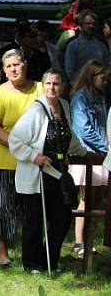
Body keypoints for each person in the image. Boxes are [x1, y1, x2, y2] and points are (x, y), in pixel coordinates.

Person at [8, 69, 90, 274]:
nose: (52, 88)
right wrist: (36, 157)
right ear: (43, 87)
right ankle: (32, 263)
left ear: (63, 87)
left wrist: (87, 153)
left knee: (61, 219)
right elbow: (15, 140)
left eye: (56, 84)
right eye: (48, 84)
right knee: (34, 221)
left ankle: (50, 260)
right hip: (37, 173)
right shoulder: (35, 111)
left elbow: (68, 137)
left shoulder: (64, 106)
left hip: (58, 172)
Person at [0, 48, 42, 266]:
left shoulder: (40, 89)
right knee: (5, 208)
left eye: (16, 64)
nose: (13, 69)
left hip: (35, 160)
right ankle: (3, 252)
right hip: (5, 160)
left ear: (25, 65)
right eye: (8, 66)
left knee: (33, 209)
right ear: (4, 70)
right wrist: (19, 144)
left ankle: (34, 251)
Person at [68, 60, 109, 258]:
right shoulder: (80, 98)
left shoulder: (100, 97)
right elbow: (84, 129)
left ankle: (89, 242)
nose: (106, 81)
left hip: (101, 155)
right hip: (87, 155)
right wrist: (106, 148)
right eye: (103, 78)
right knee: (86, 199)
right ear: (92, 76)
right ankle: (79, 243)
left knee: (97, 201)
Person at [64, 10, 110, 86]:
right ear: (81, 25)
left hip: (99, 88)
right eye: (88, 23)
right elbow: (70, 70)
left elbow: (107, 67)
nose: (91, 26)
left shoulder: (101, 45)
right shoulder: (73, 45)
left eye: (93, 24)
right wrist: (81, 84)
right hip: (79, 88)